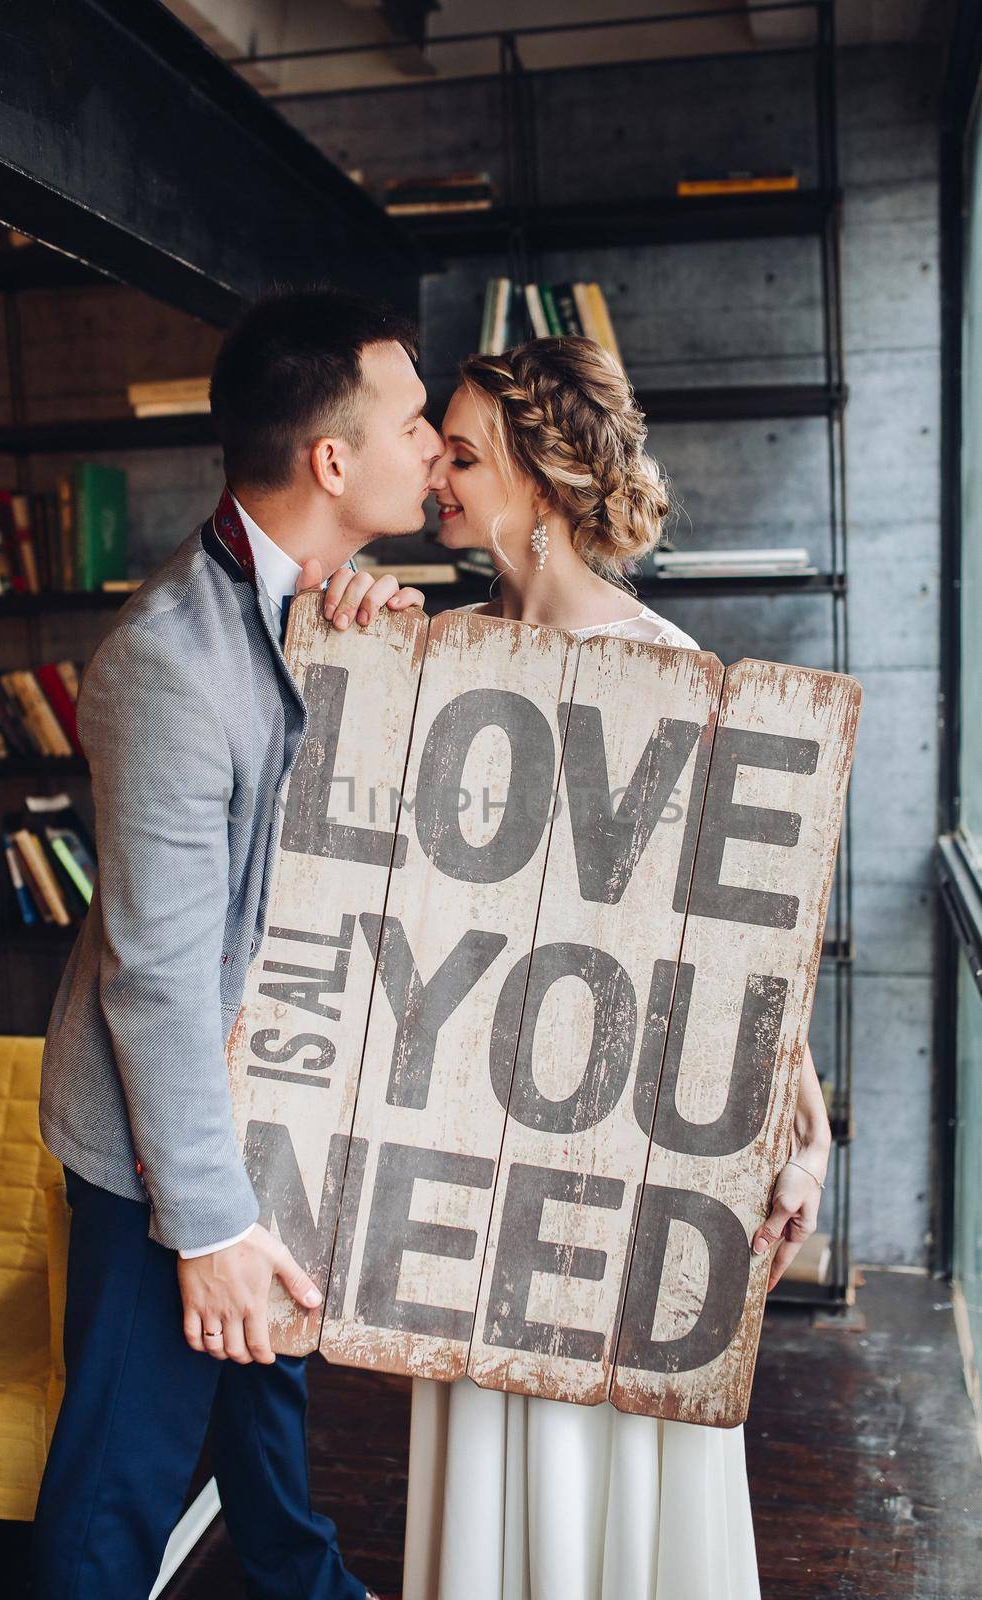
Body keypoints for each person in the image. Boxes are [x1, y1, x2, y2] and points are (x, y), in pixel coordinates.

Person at [402, 335, 832, 1600]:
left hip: (624, 1156)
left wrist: (801, 1131)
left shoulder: (679, 677)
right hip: (477, 1150)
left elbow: (749, 951)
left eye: (462, 454)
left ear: (538, 479)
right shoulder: (425, 653)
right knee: (488, 1464)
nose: (433, 471)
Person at [33, 286, 443, 1600]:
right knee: (118, 1495)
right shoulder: (162, 658)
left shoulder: (310, 608)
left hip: (268, 1113)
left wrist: (357, 652)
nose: (431, 446)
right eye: (414, 422)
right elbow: (152, 979)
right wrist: (203, 1228)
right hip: (165, 1158)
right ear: (333, 461)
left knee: (268, 1464)